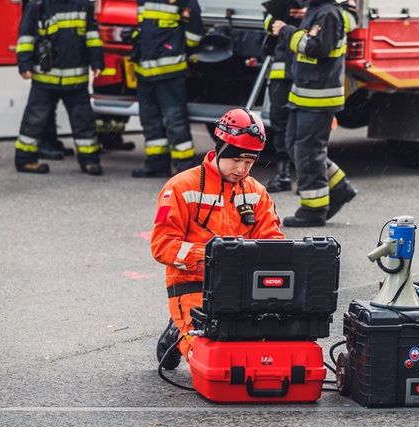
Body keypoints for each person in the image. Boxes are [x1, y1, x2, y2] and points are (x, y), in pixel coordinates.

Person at [151, 109, 285, 369]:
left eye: (249, 162)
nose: (242, 169)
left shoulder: (257, 192)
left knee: (259, 352)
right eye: (236, 160)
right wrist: (215, 260)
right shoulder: (179, 187)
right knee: (212, 359)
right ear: (221, 149)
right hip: (192, 287)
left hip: (242, 289)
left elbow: (273, 242)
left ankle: (179, 328)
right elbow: (162, 245)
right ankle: (179, 332)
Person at [272, 0, 358, 227]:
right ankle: (339, 187)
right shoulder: (315, 11)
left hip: (319, 97)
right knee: (294, 146)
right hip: (303, 94)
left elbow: (318, 48)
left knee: (309, 153)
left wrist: (287, 31)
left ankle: (314, 210)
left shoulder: (328, 14)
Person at [14, 0, 105, 175]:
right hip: (45, 79)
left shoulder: (83, 5)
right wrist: (24, 63)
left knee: (84, 122)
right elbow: (26, 37)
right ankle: (24, 159)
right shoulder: (37, 5)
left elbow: (92, 36)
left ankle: (90, 161)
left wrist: (97, 62)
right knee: (34, 120)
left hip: (75, 79)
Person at [131, 0, 203, 178]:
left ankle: (185, 166)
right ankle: (156, 163)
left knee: (175, 119)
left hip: (169, 71)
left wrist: (176, 49)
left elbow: (194, 34)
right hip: (144, 70)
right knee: (149, 119)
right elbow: (144, 26)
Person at [262, 0, 307, 193]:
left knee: (306, 125)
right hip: (282, 70)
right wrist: (276, 23)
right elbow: (267, 21)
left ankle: (309, 176)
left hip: (308, 70)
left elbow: (346, 18)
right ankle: (282, 173)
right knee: (279, 121)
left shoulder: (324, 7)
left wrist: (308, 14)